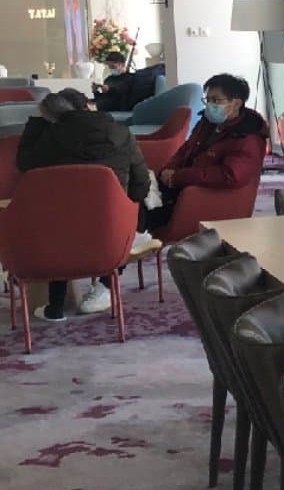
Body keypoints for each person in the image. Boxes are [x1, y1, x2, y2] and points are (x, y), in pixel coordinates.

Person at [15, 89, 154, 322]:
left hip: (61, 233)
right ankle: (105, 286)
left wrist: (38, 123)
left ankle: (55, 306)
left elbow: (24, 164)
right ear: (88, 106)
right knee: (131, 213)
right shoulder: (122, 133)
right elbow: (141, 185)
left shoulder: (50, 138)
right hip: (112, 230)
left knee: (61, 217)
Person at [147, 73, 268, 233]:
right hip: (179, 185)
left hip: (199, 193)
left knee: (142, 209)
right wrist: (169, 169)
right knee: (137, 187)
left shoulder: (247, 137)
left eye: (216, 100)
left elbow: (230, 175)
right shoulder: (207, 123)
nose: (210, 105)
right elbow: (186, 149)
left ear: (236, 103)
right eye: (208, 100)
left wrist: (178, 177)